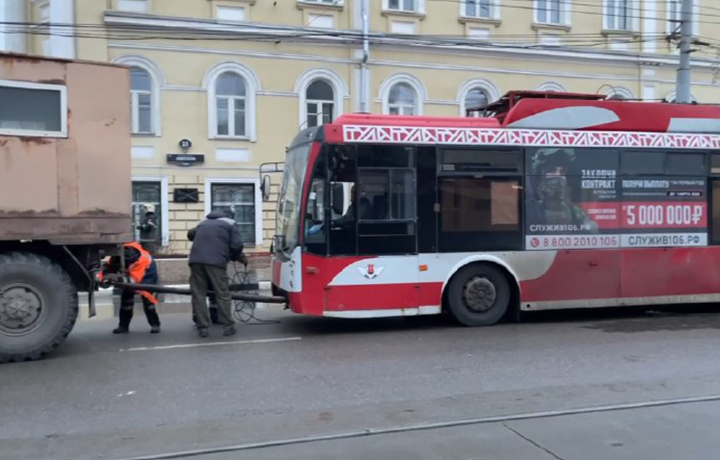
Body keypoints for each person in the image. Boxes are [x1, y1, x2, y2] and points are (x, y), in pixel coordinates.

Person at [187, 209, 244, 338]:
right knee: (222, 293)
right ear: (230, 216)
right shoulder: (231, 223)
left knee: (198, 294)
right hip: (215, 262)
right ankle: (228, 326)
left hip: (196, 261)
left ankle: (202, 328)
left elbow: (190, 234)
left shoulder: (204, 223)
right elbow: (236, 245)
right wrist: (234, 256)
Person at [102, 242, 161, 334]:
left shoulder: (140, 260)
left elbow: (133, 281)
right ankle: (123, 326)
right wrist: (104, 275)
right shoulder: (119, 254)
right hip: (132, 275)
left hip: (148, 276)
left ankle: (155, 324)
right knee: (126, 302)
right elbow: (111, 267)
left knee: (149, 302)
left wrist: (118, 279)